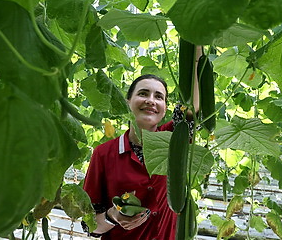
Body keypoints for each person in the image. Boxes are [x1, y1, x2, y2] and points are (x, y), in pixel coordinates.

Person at [82, 47, 202, 240]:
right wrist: (113, 216)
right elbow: (90, 226)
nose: (151, 101)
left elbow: (195, 108)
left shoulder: (174, 138)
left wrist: (196, 46)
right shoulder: (103, 153)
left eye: (159, 97)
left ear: (165, 109)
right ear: (128, 101)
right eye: (143, 94)